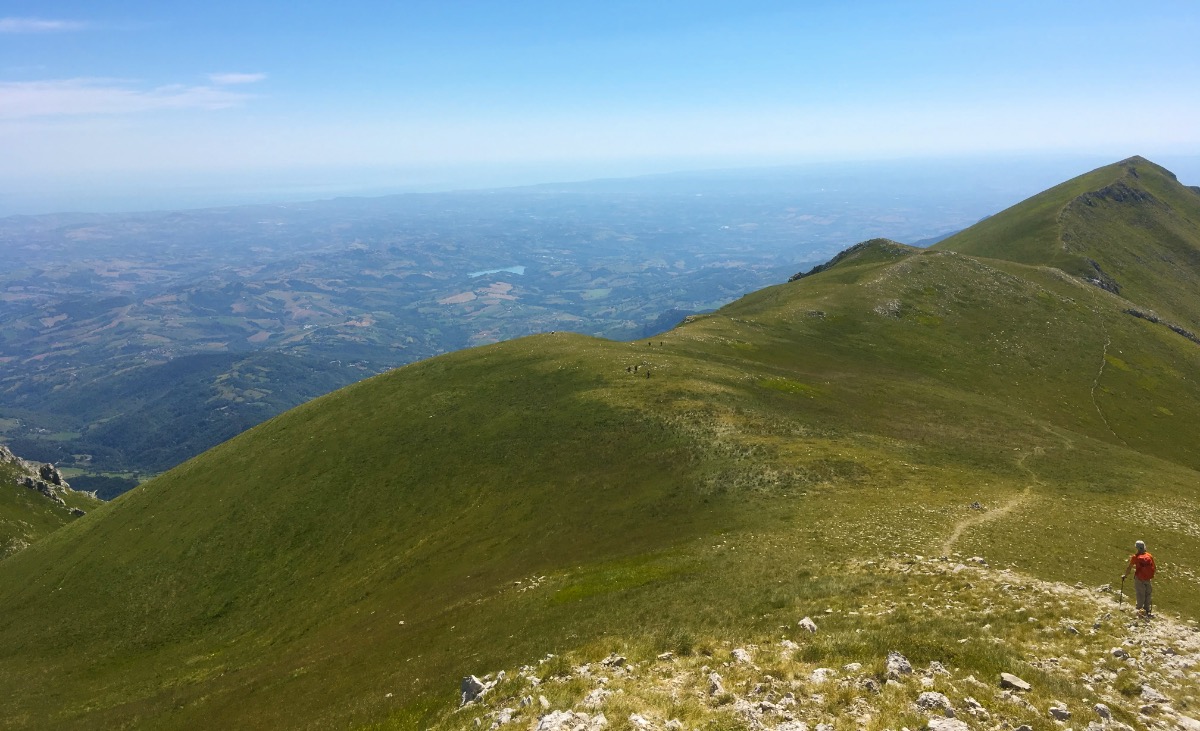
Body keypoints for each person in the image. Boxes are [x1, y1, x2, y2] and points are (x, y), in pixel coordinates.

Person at [1122, 540, 1156, 617]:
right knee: (1148, 594)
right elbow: (1154, 567)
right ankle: (1147, 610)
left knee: (1140, 594)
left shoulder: (1135, 557)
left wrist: (1125, 575)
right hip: (1148, 578)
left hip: (1139, 578)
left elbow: (1129, 568)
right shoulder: (1149, 556)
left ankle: (1139, 611)